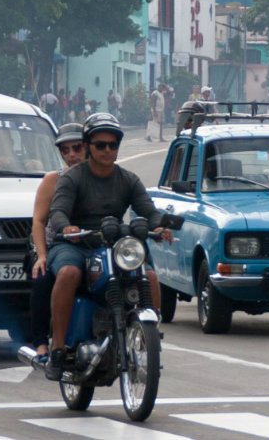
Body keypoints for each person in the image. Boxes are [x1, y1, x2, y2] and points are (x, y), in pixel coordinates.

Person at [45, 113, 173, 380]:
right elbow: (57, 212)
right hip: (76, 242)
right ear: (88, 146)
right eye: (101, 144)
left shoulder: (128, 179)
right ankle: (57, 348)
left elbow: (148, 211)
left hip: (114, 242)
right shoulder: (72, 178)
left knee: (148, 276)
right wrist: (66, 227)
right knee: (69, 273)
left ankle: (149, 337)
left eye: (112, 145)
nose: (107, 150)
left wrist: (160, 226)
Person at [27, 123, 87, 362]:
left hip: (92, 245)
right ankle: (42, 344)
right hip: (56, 246)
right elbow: (39, 221)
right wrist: (42, 255)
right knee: (42, 277)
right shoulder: (54, 179)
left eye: (77, 147)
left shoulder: (103, 174)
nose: (71, 154)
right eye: (65, 150)